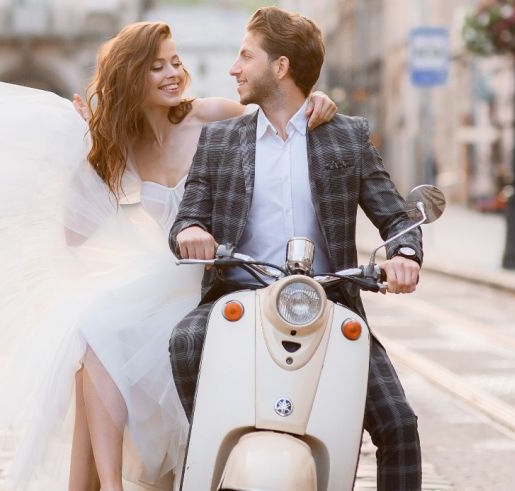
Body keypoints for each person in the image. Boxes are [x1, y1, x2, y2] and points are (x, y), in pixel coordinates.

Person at [0, 20, 337, 490]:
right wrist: (81, 150)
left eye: (176, 62)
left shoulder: (210, 115)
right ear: (130, 77)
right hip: (163, 274)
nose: (172, 73)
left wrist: (317, 104)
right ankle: (109, 483)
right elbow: (73, 234)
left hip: (219, 273)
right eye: (156, 66)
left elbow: (279, 122)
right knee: (91, 334)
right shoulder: (122, 143)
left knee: (98, 332)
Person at [169, 7, 424, 491]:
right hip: (239, 301)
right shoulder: (221, 140)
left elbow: (397, 218)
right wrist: (190, 233)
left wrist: (404, 257)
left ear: (280, 67)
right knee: (185, 341)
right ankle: (210, 458)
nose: (234, 68)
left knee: (399, 425)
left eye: (246, 56)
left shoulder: (345, 136)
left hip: (329, 302)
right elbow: (189, 216)